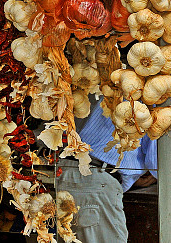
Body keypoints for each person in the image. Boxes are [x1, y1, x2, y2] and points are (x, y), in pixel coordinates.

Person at [55, 98, 157, 243]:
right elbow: (156, 164)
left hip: (68, 170)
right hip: (94, 182)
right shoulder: (149, 98)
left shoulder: (110, 81)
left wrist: (130, 175)